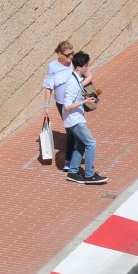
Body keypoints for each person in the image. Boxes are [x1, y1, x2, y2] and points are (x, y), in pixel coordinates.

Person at [62, 52, 108, 185]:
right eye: (86, 66)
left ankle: (73, 172)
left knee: (81, 144)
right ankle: (89, 174)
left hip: (75, 118)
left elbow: (75, 98)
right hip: (74, 120)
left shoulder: (76, 78)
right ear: (78, 68)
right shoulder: (72, 82)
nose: (88, 68)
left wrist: (86, 99)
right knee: (91, 143)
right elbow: (67, 105)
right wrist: (83, 102)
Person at [42, 41, 74, 168]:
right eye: (67, 55)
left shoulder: (74, 62)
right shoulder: (52, 67)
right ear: (60, 54)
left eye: (72, 54)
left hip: (75, 102)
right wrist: (46, 106)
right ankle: (69, 160)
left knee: (74, 130)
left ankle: (70, 160)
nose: (70, 57)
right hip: (62, 104)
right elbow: (48, 87)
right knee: (70, 130)